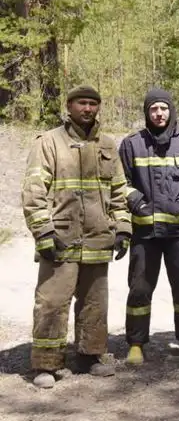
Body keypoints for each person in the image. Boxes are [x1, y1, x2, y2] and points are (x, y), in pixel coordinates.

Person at [21, 85, 132, 388]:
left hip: (98, 238)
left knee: (95, 302)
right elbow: (33, 192)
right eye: (82, 103)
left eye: (93, 104)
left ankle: (91, 355)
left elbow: (119, 192)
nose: (87, 109)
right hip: (61, 238)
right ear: (68, 106)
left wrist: (122, 228)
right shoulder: (49, 142)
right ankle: (46, 364)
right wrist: (43, 230)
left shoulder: (108, 145)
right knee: (52, 302)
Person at [119, 88, 179, 365]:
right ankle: (136, 343)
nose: (159, 114)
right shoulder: (131, 144)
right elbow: (118, 181)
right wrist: (135, 202)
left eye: (163, 108)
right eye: (153, 109)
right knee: (139, 289)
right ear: (146, 113)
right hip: (144, 233)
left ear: (171, 111)